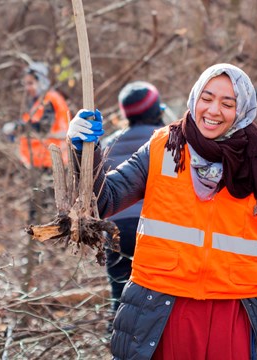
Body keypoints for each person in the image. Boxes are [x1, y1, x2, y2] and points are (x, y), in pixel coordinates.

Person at [68, 63, 257, 359]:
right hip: (161, 312)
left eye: (227, 103)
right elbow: (104, 200)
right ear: (194, 98)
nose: (213, 110)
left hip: (234, 315)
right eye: (206, 98)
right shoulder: (163, 147)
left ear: (242, 109)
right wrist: (83, 153)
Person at [100, 81, 165, 322]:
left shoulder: (109, 144)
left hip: (115, 228)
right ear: (157, 110)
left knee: (120, 294)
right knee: (158, 296)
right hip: (156, 229)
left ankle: (117, 337)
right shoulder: (168, 140)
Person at [3, 62, 71, 169]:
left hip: (52, 162)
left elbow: (42, 128)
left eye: (31, 83)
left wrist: (17, 128)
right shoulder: (38, 103)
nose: (27, 88)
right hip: (40, 162)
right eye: (25, 84)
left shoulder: (50, 100)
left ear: (41, 81)